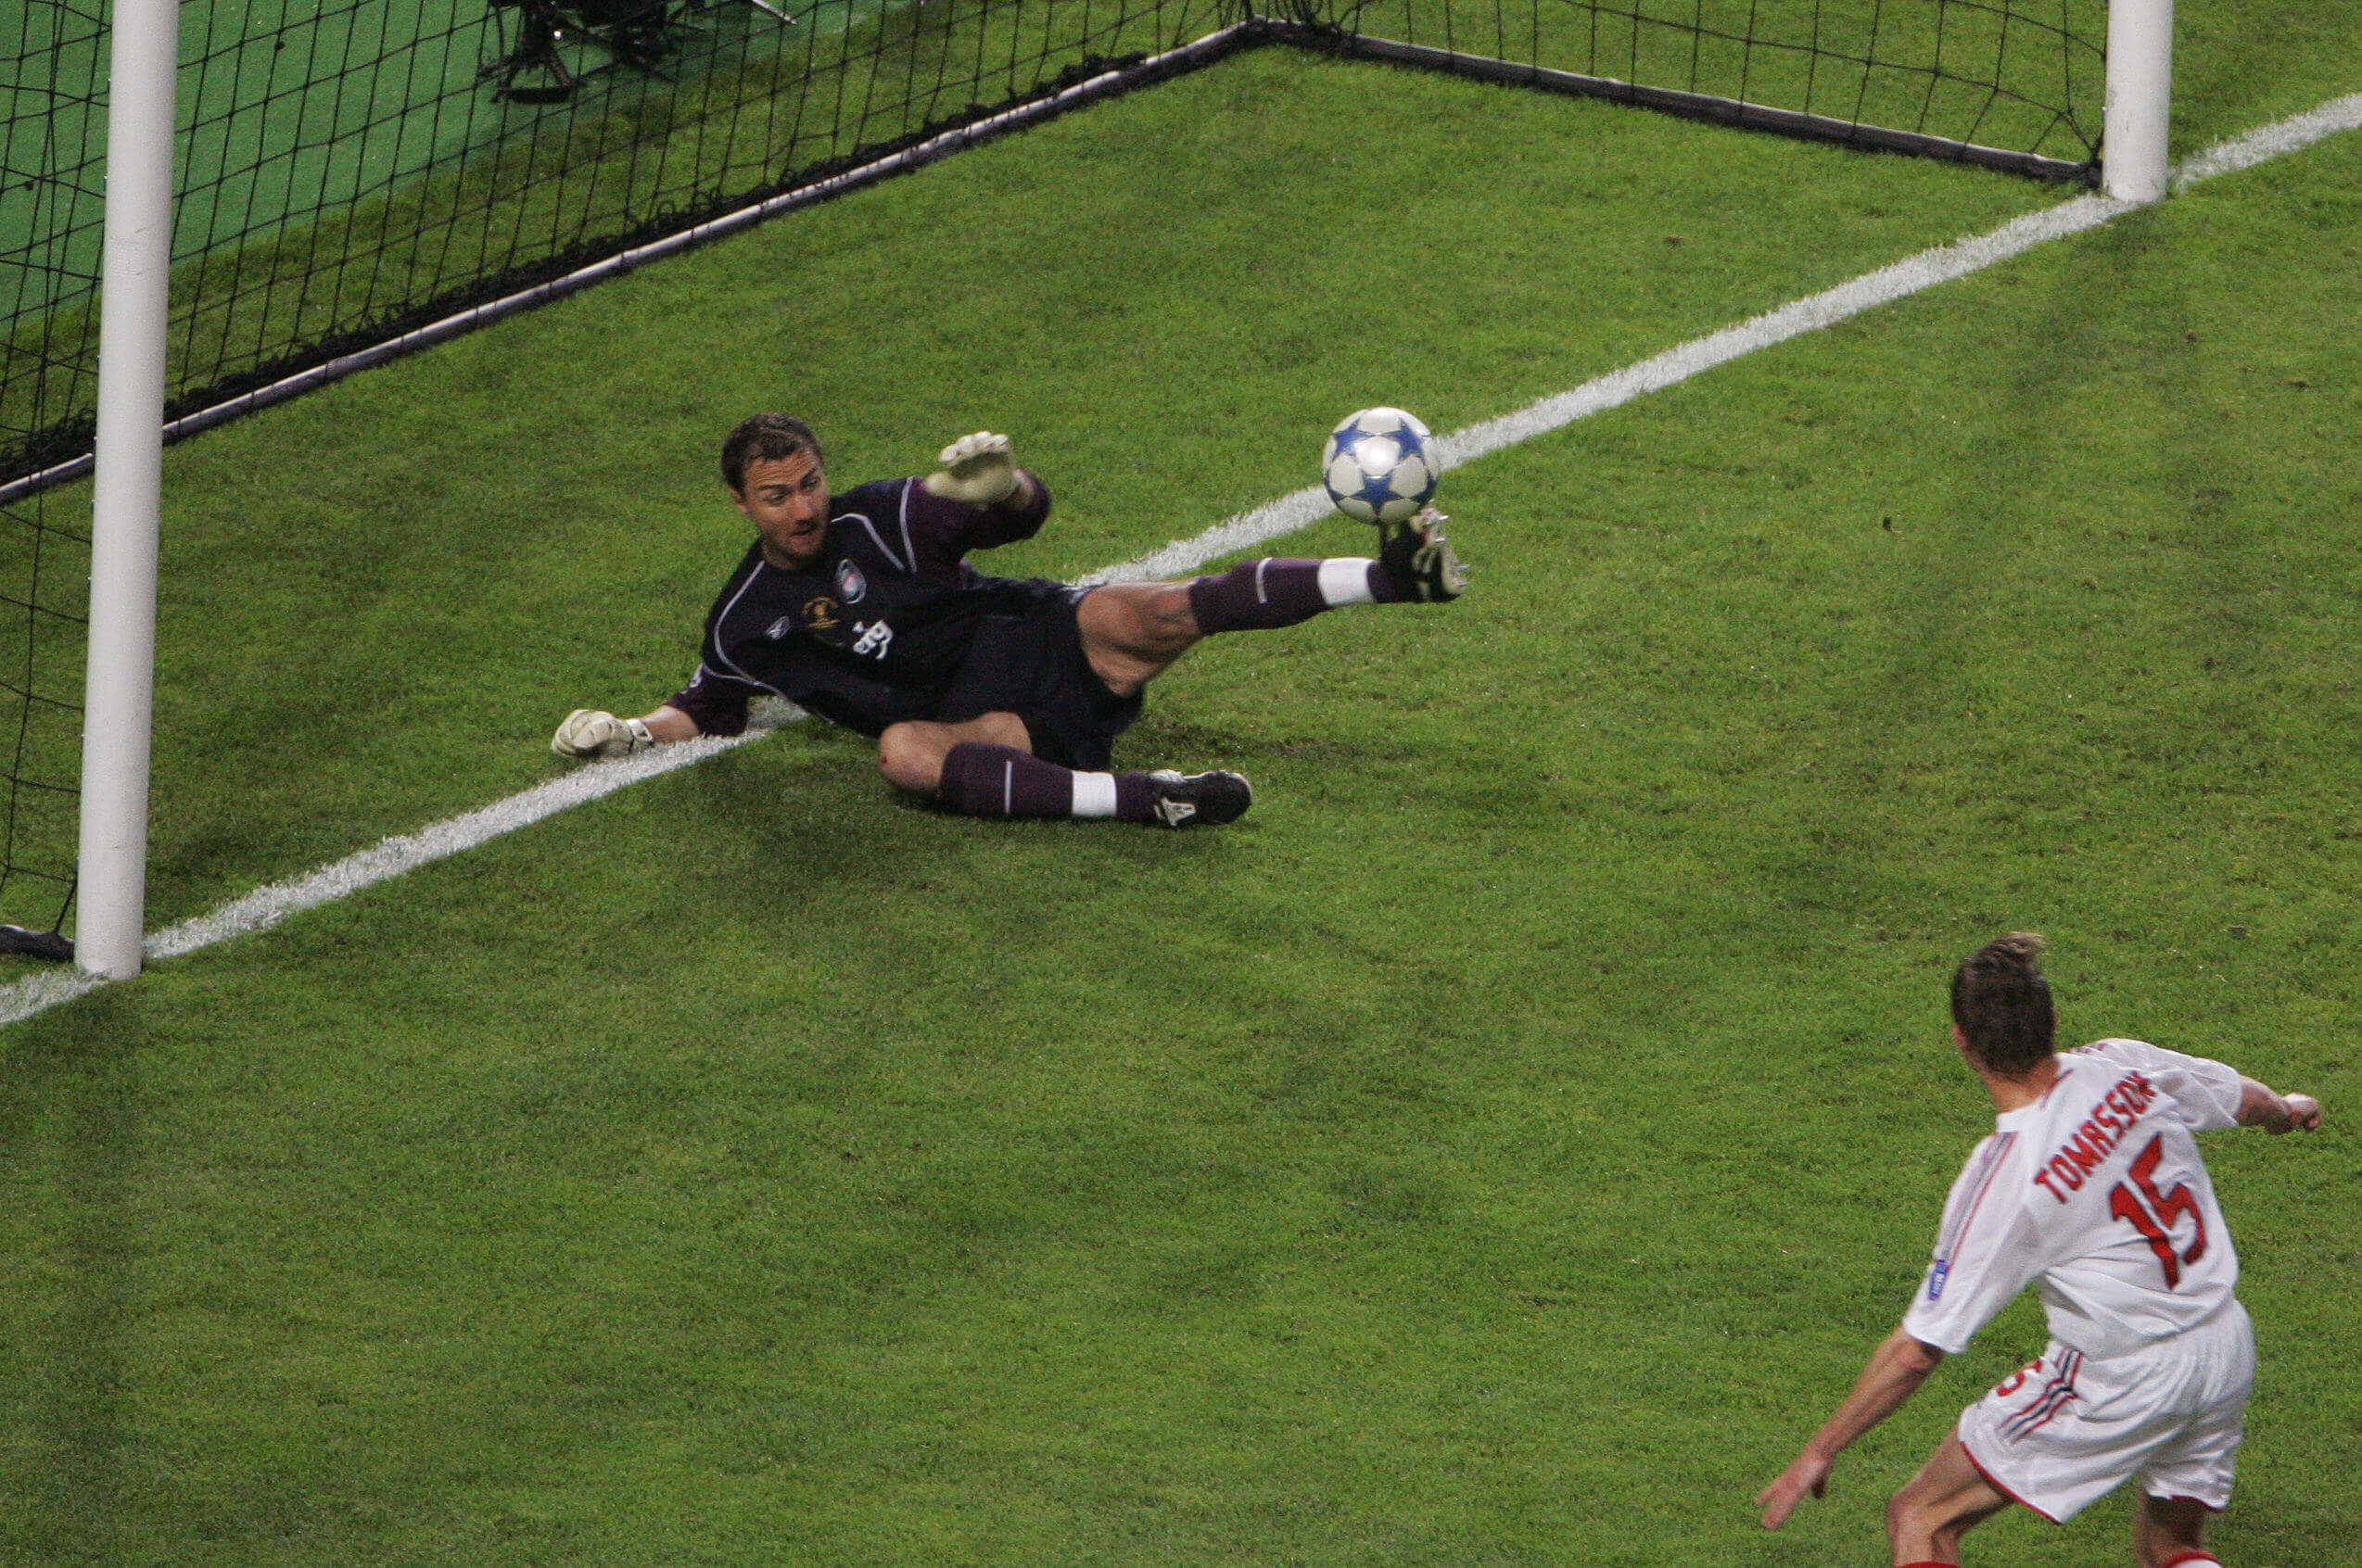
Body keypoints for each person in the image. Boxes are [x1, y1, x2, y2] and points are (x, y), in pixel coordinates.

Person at [550, 413, 1466, 827]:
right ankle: (1153, 798)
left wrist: (1005, 488)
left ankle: (1395, 576)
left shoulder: (882, 514)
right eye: (777, 495)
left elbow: (1013, 515)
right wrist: (630, 732)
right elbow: (712, 703)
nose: (803, 508)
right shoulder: (747, 620)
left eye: (810, 483)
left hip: (1045, 638)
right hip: (990, 729)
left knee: (1160, 605)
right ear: (740, 506)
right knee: (904, 752)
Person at [1758, 932, 2324, 1567]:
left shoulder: (2007, 1175)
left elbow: (1918, 1351)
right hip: (2223, 1345)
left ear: (1962, 1044)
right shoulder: (2122, 1063)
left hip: (2121, 1373)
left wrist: (1821, 1448)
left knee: (1921, 1517)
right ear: (2053, 1021)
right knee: (2173, 1547)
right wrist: (2289, 1109)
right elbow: (2245, 1100)